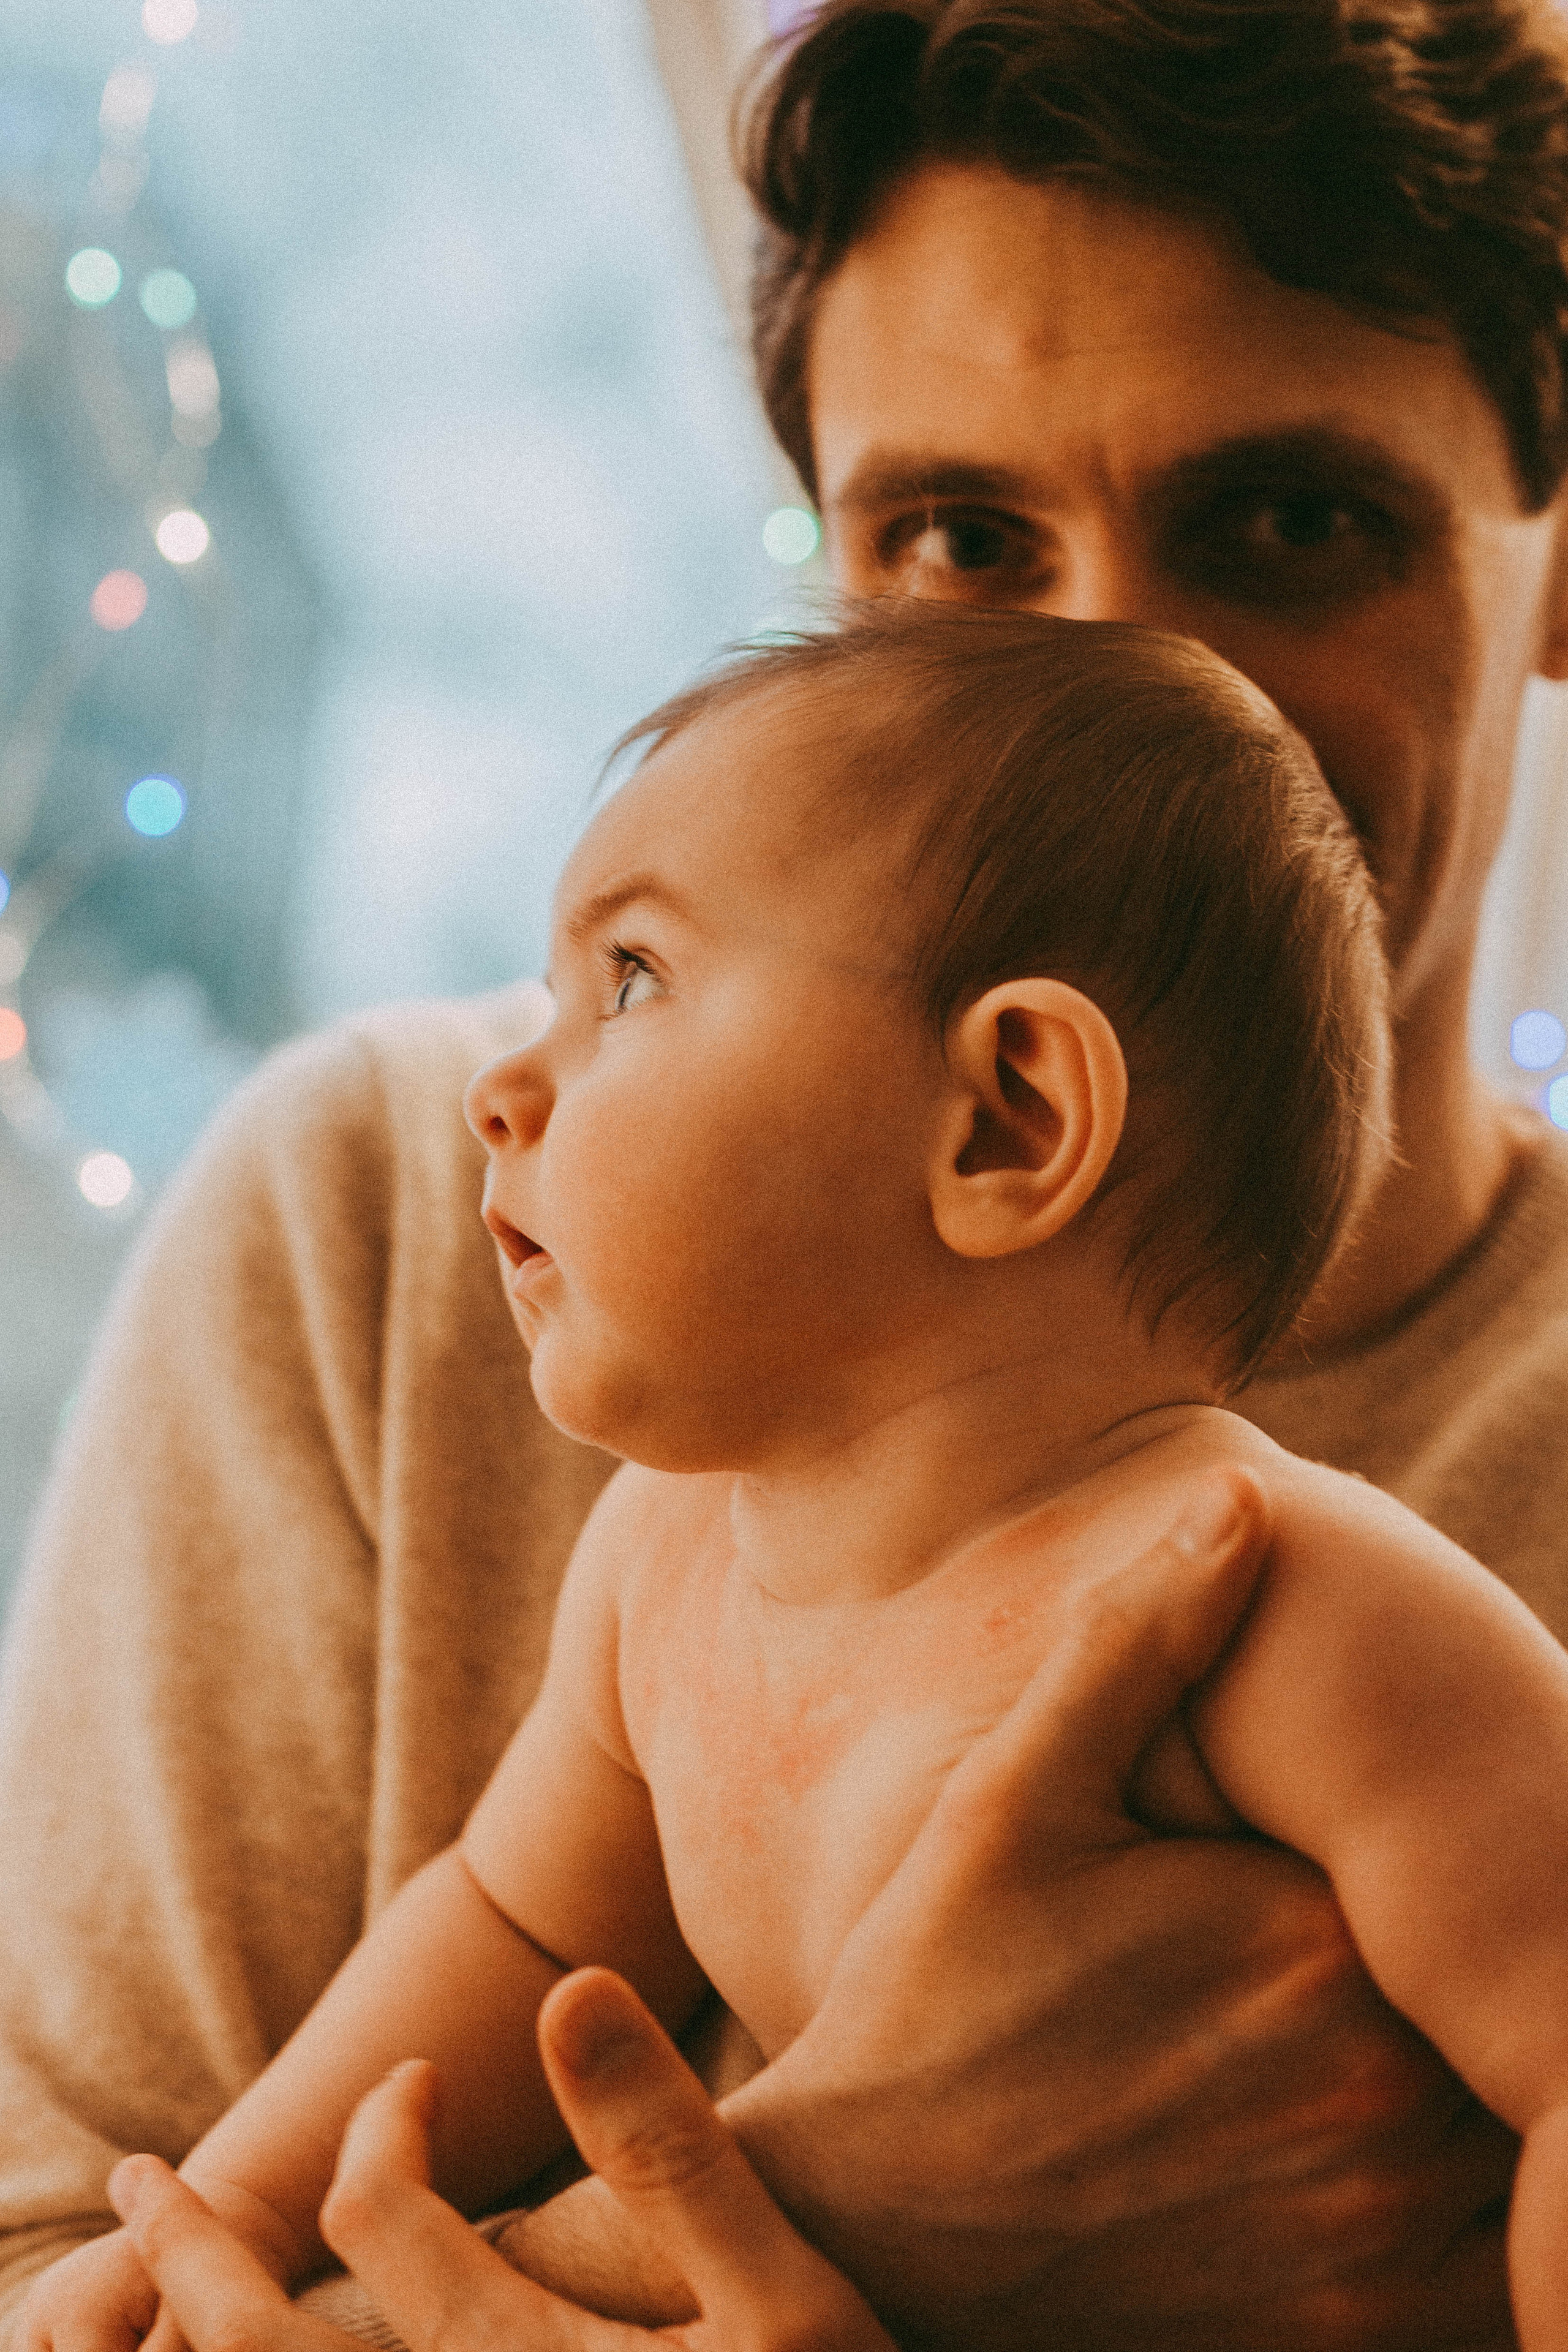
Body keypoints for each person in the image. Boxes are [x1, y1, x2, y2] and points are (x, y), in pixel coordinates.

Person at [4, 0, 1567, 2341]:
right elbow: (81, 2282)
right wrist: (876, 2215)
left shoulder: (1311, 1610)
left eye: (1292, 522)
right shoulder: (397, 1246)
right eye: (956, 535)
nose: (1117, 675)